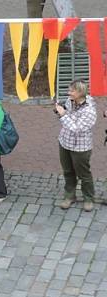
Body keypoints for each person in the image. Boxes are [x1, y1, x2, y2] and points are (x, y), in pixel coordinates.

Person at [56, 79, 97, 212]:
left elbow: (76, 128)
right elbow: (68, 118)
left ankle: (88, 198)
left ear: (80, 92)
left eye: (72, 91)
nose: (69, 93)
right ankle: (70, 196)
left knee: (84, 174)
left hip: (81, 148)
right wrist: (61, 111)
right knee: (68, 172)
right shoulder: (70, 101)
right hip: (65, 142)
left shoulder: (90, 110)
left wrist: (63, 114)